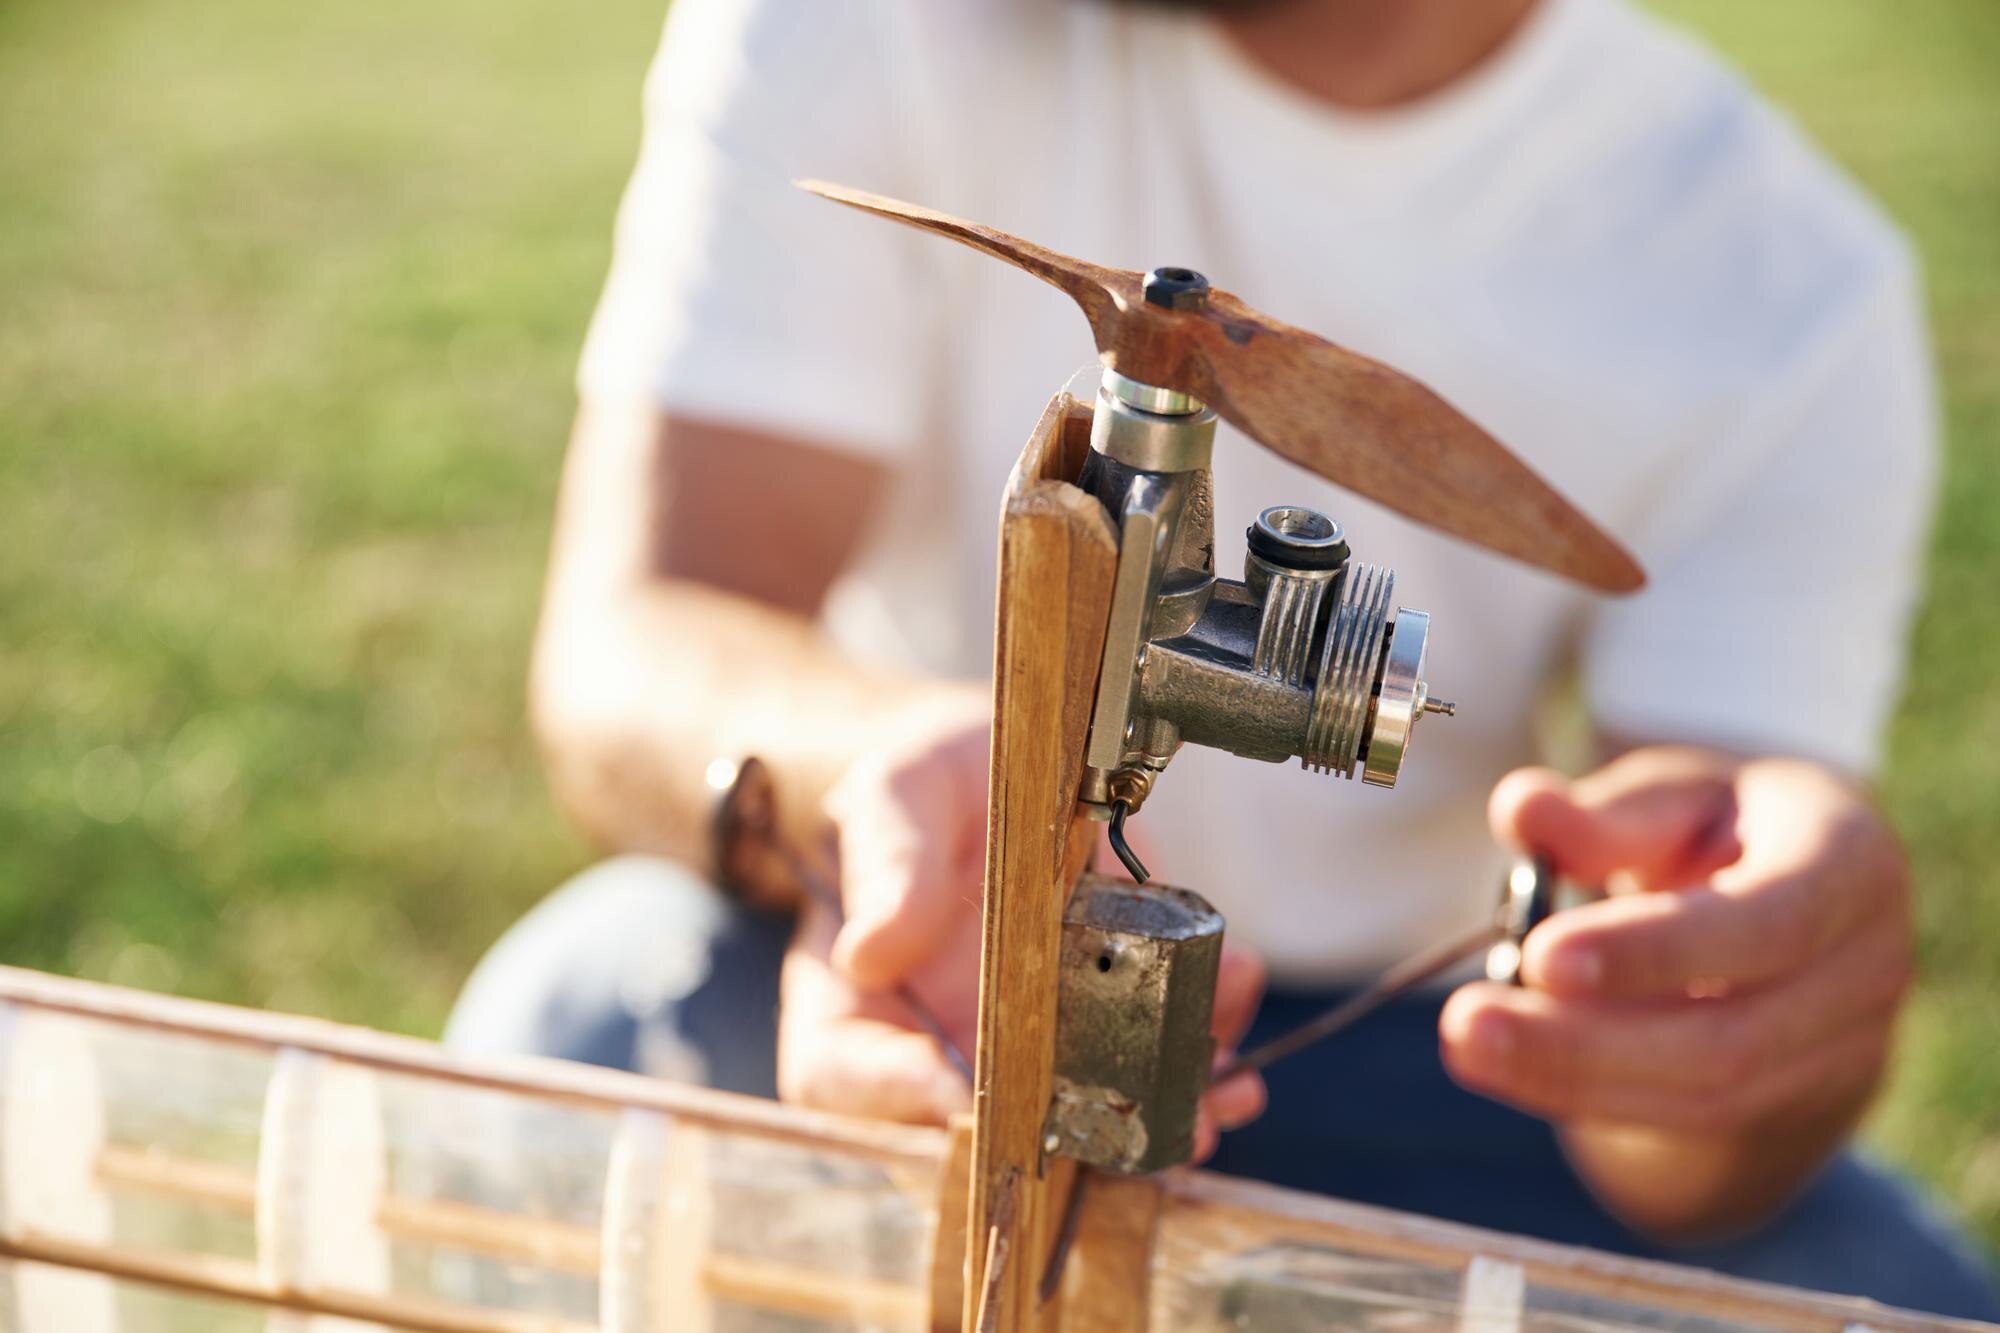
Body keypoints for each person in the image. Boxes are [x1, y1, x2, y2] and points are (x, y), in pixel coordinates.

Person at [445, 0, 1998, 1314]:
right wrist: (868, 795)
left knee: (1899, 1294)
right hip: (908, 985)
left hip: (1420, 1066)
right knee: (574, 1025)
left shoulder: (1784, 278)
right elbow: (639, 634)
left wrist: (1733, 1028)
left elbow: (1669, 1108)